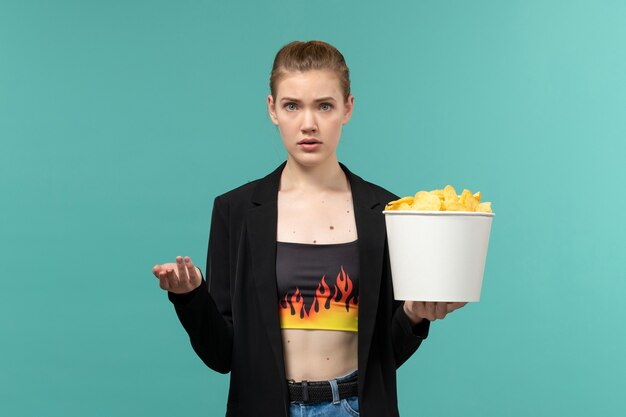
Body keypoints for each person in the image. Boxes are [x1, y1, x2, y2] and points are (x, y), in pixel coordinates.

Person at [151, 40, 467, 417]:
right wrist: (191, 297)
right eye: (292, 106)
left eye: (324, 105)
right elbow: (222, 356)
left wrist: (415, 314)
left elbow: (385, 357)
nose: (308, 124)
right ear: (272, 109)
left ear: (348, 108)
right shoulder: (234, 211)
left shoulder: (388, 212)